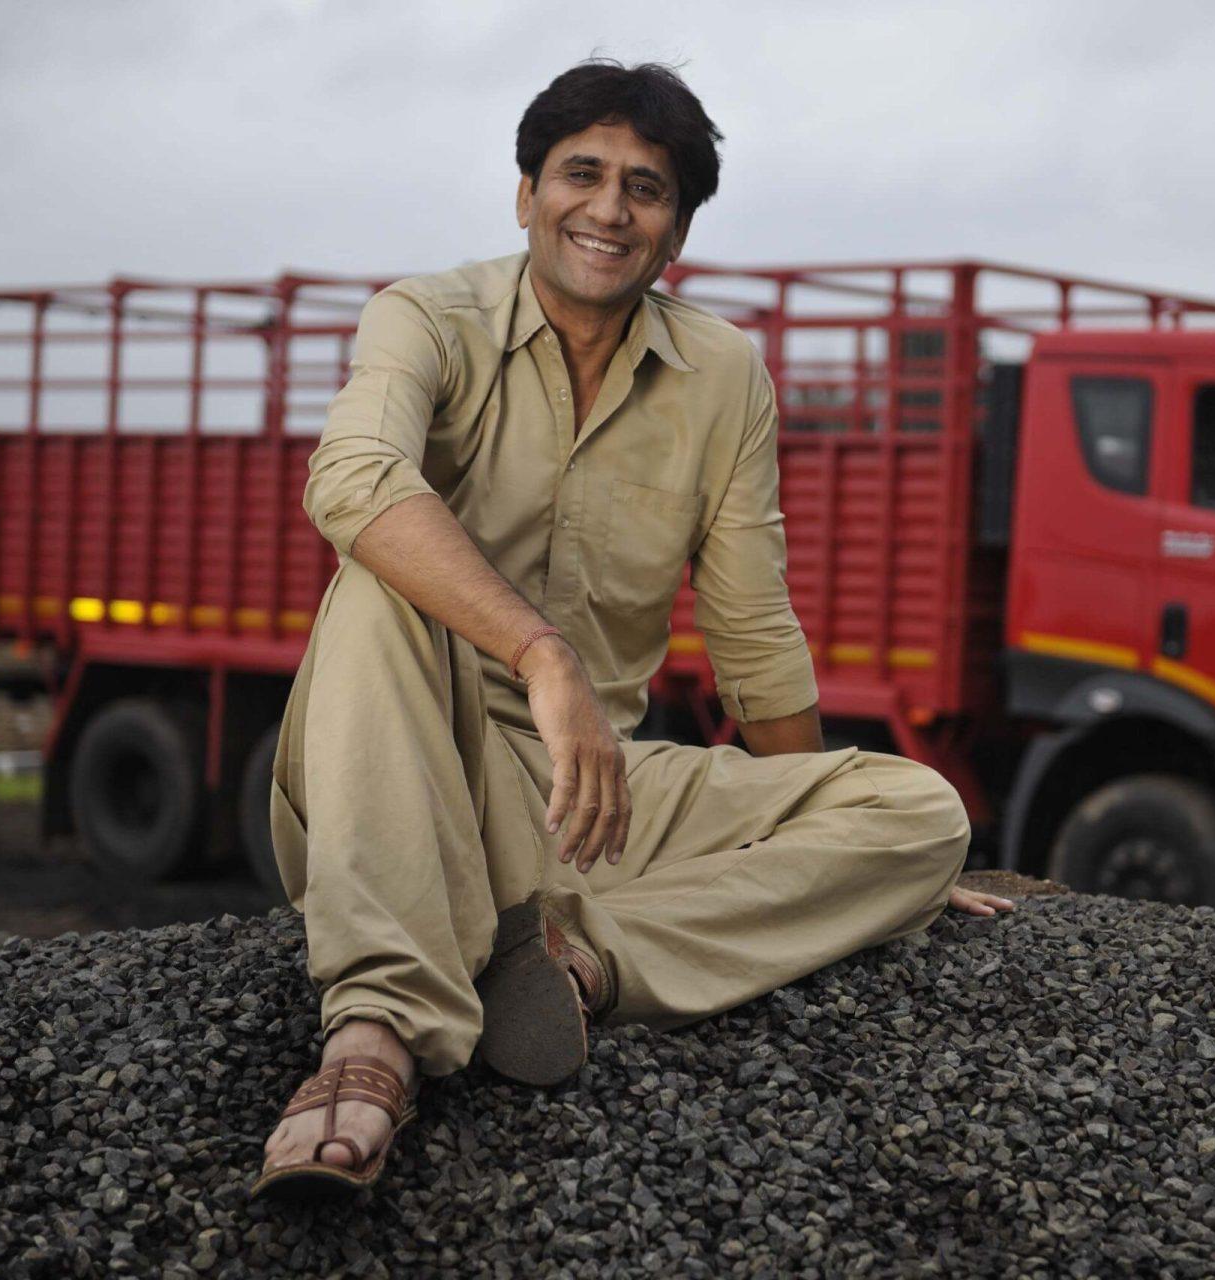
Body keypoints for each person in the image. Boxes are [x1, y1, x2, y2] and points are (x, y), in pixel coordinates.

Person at [252, 59, 1014, 1201]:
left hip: (588, 803)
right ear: (526, 193)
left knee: (921, 811)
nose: (609, 210)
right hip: (414, 770)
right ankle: (373, 1035)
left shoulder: (724, 374)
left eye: (645, 189)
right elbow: (353, 476)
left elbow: (754, 632)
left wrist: (825, 847)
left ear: (679, 232)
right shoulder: (426, 318)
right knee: (378, 578)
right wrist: (541, 653)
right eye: (582, 175)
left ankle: (574, 960)